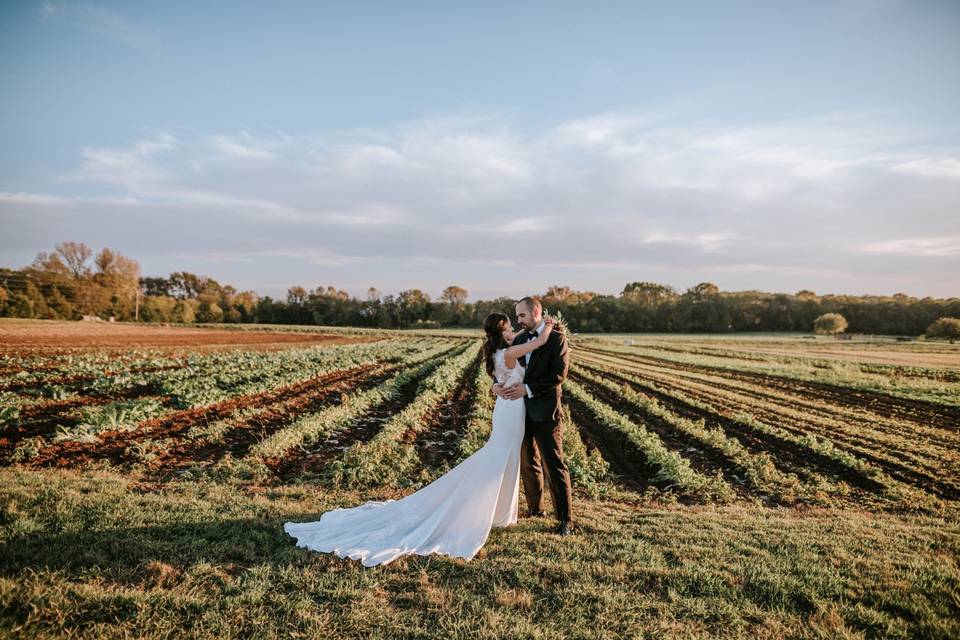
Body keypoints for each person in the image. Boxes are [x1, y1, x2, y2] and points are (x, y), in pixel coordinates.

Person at [283, 312, 555, 567]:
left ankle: (501, 514)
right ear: (501, 332)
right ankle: (488, 513)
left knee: (504, 460)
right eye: (509, 327)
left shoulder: (499, 351)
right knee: (498, 459)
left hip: (510, 408)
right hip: (510, 411)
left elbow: (508, 369)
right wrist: (550, 326)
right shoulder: (508, 351)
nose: (513, 330)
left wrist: (498, 385)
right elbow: (541, 341)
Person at [492, 296, 573, 535]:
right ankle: (536, 509)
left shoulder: (557, 339)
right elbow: (504, 370)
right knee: (528, 463)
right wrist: (496, 386)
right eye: (516, 316)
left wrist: (527, 389)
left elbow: (559, 375)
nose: (518, 320)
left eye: (522, 315)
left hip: (546, 412)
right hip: (519, 412)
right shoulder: (520, 339)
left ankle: (565, 520)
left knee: (553, 464)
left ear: (535, 312)